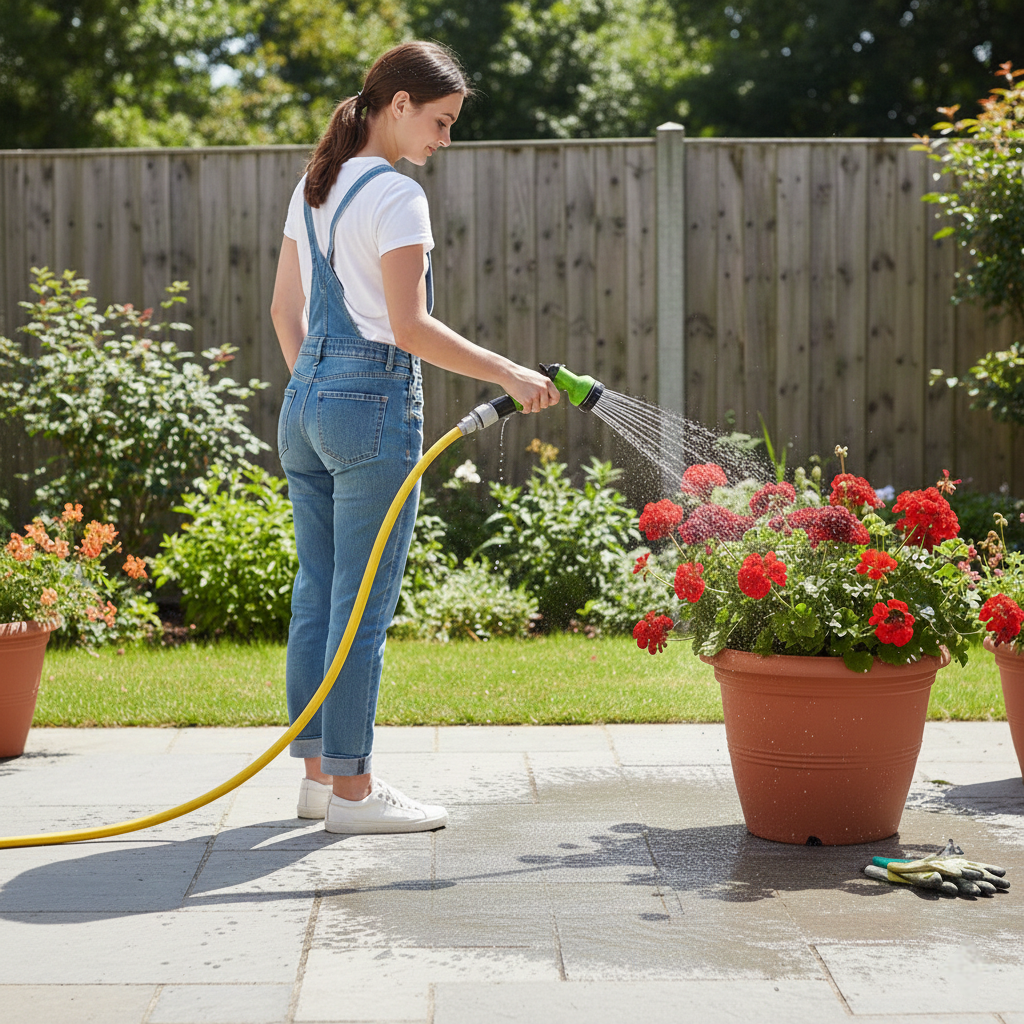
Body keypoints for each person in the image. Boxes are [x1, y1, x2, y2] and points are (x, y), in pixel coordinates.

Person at [270, 41, 559, 835]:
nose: (445, 138)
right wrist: (508, 372)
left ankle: (318, 781)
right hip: (368, 406)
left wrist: (317, 387)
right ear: (398, 105)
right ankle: (355, 795)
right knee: (360, 606)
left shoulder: (314, 184)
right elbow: (410, 328)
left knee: (317, 591)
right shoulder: (396, 195)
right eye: (440, 121)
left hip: (305, 401)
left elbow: (284, 313)